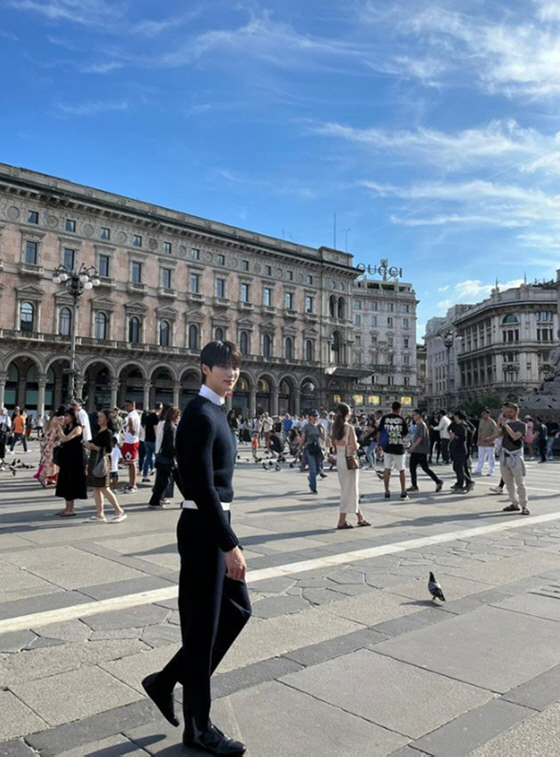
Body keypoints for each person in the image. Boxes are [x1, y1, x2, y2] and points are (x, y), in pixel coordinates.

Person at [143, 341, 251, 755]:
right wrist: (227, 543)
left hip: (214, 520)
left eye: (235, 366)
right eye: (223, 366)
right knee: (202, 628)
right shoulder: (201, 414)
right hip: (205, 528)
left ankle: (166, 679)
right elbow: (199, 483)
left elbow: (194, 475)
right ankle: (198, 727)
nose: (231, 373)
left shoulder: (217, 411)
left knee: (238, 610)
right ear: (204, 369)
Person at [331, 403, 371, 529]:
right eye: (350, 411)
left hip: (340, 460)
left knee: (349, 489)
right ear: (347, 414)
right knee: (348, 491)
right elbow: (354, 446)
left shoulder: (335, 427)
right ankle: (341, 520)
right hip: (349, 460)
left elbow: (335, 447)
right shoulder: (349, 428)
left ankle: (361, 518)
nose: (352, 413)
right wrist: (359, 445)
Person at [486, 403, 529, 515]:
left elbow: (515, 436)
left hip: (516, 456)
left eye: (510, 412)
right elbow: (497, 434)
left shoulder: (521, 425)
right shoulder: (505, 425)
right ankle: (514, 503)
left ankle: (524, 505)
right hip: (504, 455)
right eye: (506, 412)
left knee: (520, 482)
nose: (507, 414)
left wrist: (506, 425)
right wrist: (498, 425)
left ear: (515, 412)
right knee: (508, 482)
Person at [85, 410, 127, 522]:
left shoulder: (107, 432)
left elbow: (108, 449)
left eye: (102, 417)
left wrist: (94, 447)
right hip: (95, 460)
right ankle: (100, 514)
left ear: (107, 420)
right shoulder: (100, 431)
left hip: (101, 461)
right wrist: (89, 445)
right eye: (99, 417)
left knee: (104, 487)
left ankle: (119, 510)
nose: (99, 419)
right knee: (96, 488)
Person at [53, 406, 87, 517]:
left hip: (75, 458)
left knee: (71, 482)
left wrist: (59, 428)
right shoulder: (67, 427)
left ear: (73, 417)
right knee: (65, 481)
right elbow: (58, 438)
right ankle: (67, 507)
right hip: (67, 457)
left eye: (67, 416)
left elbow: (66, 438)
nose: (65, 418)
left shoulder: (78, 428)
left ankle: (70, 509)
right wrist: (57, 426)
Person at [149, 405, 180, 509]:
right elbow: (170, 445)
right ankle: (155, 501)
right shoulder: (170, 427)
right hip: (167, 457)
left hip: (162, 456)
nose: (179, 417)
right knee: (164, 481)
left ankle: (155, 500)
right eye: (178, 415)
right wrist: (175, 457)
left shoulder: (165, 425)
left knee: (162, 480)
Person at [377, 401, 409, 500]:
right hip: (398, 447)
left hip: (387, 447)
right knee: (401, 470)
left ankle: (386, 491)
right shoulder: (401, 419)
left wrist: (378, 445)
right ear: (399, 409)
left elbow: (379, 432)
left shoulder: (385, 418)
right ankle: (403, 491)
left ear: (392, 408)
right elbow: (405, 433)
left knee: (387, 469)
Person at [407, 409, 444, 493]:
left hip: (420, 450)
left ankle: (438, 481)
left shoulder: (422, 425)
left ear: (419, 415)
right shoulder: (418, 425)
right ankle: (415, 485)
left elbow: (421, 437)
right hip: (417, 450)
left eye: (415, 415)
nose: (413, 416)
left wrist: (413, 447)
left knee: (423, 468)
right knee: (416, 468)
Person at [298, 409, 326, 494]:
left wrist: (323, 428)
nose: (315, 418)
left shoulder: (318, 426)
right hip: (309, 448)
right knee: (313, 469)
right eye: (313, 416)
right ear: (310, 417)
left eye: (316, 416)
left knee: (318, 469)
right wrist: (299, 449)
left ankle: (311, 477)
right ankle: (313, 487)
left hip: (317, 448)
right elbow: (303, 438)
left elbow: (323, 438)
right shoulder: (306, 426)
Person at [448, 411, 473, 493]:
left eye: (455, 416)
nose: (454, 418)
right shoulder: (455, 425)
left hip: (461, 449)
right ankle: (467, 482)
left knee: (460, 468)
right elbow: (449, 428)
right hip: (455, 448)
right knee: (456, 467)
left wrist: (456, 436)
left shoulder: (463, 426)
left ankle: (461, 485)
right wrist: (451, 433)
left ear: (458, 417)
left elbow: (464, 438)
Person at [34, 412, 59, 488]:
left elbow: (46, 434)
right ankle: (44, 478)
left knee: (47, 463)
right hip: (52, 445)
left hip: (47, 444)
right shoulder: (57, 421)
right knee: (52, 464)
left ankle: (48, 479)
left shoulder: (49, 422)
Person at [122, 399, 141, 492]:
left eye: (127, 406)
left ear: (132, 406)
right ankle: (131, 483)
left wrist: (131, 429)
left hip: (131, 441)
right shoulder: (136, 414)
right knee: (130, 463)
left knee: (132, 463)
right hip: (132, 440)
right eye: (125, 406)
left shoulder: (131, 415)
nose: (126, 408)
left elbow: (130, 422)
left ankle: (133, 484)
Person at [142, 403, 162, 482]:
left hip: (147, 439)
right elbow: (155, 428)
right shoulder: (156, 417)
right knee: (158, 458)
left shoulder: (148, 416)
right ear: (160, 408)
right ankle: (158, 476)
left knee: (147, 458)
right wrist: (158, 439)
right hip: (153, 441)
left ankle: (145, 475)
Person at [474, 409, 497, 476]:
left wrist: (492, 440)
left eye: (484, 414)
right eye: (482, 414)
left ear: (488, 414)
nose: (483, 415)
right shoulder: (481, 422)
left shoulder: (492, 422)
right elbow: (479, 432)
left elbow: (495, 432)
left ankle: (491, 471)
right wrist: (478, 441)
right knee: (481, 457)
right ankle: (478, 470)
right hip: (482, 442)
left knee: (491, 457)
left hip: (489, 443)